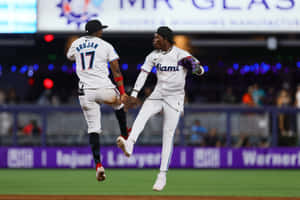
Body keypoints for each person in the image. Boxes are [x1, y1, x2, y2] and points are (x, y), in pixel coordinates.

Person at [117, 26, 204, 191]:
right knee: (142, 114)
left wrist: (195, 67)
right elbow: (143, 74)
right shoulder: (153, 56)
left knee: (167, 135)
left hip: (175, 97)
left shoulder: (180, 54)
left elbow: (201, 70)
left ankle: (162, 175)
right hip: (158, 93)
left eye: (157, 38)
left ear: (165, 39)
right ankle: (130, 143)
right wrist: (134, 94)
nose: (154, 40)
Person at [66, 19, 129, 182]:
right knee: (119, 104)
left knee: (93, 128)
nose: (102, 31)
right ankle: (124, 136)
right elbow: (116, 70)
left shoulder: (77, 43)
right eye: (101, 29)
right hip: (104, 88)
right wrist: (122, 92)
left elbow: (70, 57)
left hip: (85, 92)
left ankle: (98, 165)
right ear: (97, 32)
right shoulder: (106, 45)